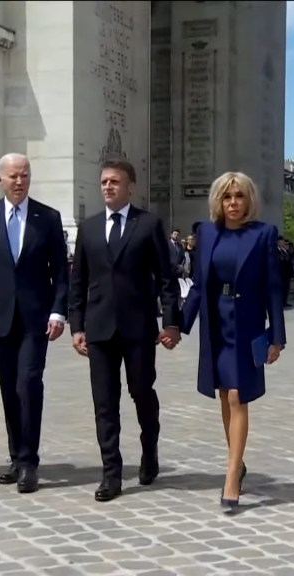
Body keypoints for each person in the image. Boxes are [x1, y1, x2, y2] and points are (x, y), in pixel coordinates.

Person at [69, 158, 181, 502]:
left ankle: (150, 451)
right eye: (103, 182)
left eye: (114, 182)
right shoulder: (88, 229)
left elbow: (166, 277)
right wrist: (77, 325)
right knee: (104, 402)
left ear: (130, 186)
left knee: (141, 391)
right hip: (99, 328)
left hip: (138, 327)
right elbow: (79, 281)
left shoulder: (147, 225)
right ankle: (111, 474)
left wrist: (171, 322)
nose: (107, 187)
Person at [180, 171, 285, 511]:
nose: (233, 203)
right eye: (227, 197)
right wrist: (176, 326)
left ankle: (230, 474)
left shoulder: (263, 234)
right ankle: (237, 463)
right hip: (217, 322)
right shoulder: (207, 233)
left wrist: (277, 337)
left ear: (248, 200)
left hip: (249, 323)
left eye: (239, 196)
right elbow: (197, 285)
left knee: (239, 395)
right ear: (218, 201)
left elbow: (272, 287)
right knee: (225, 396)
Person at [0, 153, 69, 494]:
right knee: (9, 388)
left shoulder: (48, 218)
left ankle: (29, 461)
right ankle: (15, 455)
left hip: (36, 318)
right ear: (0, 180)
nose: (19, 181)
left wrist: (58, 311)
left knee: (29, 383)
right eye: (13, 176)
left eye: (24, 175)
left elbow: (61, 273)